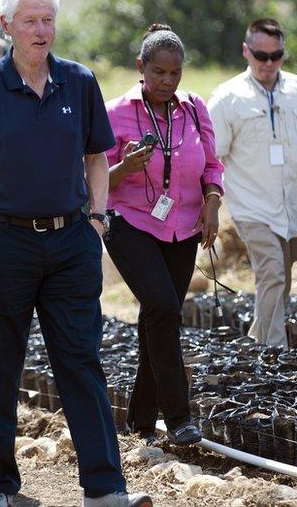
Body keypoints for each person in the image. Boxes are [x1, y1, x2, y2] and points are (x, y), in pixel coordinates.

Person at [0, 0, 152, 507]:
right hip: (4, 243)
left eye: (48, 20)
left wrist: (99, 220)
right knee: (0, 363)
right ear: (7, 25)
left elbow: (97, 157)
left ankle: (105, 490)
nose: (42, 30)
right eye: (31, 21)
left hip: (70, 244)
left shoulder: (79, 81)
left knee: (81, 363)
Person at [104, 24, 224, 446]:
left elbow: (212, 164)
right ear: (141, 67)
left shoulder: (194, 109)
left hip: (183, 227)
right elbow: (93, 177)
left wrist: (212, 201)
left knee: (158, 317)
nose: (167, 82)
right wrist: (124, 168)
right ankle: (178, 417)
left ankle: (138, 421)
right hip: (130, 223)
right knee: (162, 308)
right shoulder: (115, 111)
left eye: (175, 74)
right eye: (158, 72)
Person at [208, 18, 297, 348]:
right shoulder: (227, 98)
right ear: (246, 51)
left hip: (296, 207)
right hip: (253, 207)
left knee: (279, 282)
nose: (268, 63)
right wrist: (207, 206)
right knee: (272, 273)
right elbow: (211, 159)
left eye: (276, 55)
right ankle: (274, 353)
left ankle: (256, 344)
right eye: (260, 55)